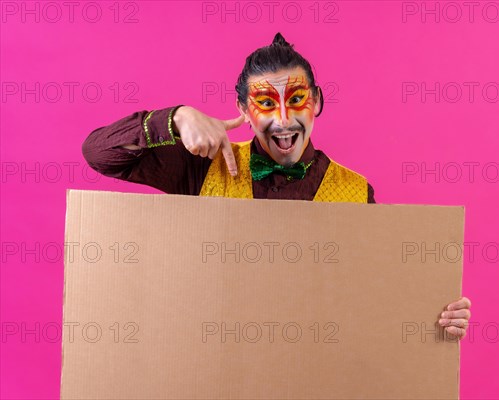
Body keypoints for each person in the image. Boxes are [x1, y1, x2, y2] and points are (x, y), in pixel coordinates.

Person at [82, 32, 471, 339]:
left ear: (317, 101)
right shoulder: (202, 167)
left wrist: (437, 320)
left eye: (297, 99)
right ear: (242, 111)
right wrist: (175, 118)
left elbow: (373, 302)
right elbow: (99, 153)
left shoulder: (356, 192)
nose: (283, 121)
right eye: (266, 104)